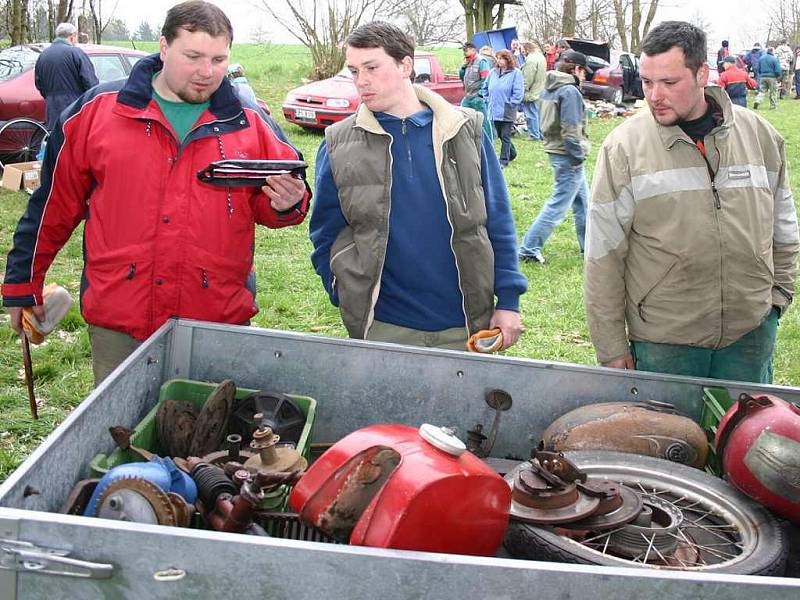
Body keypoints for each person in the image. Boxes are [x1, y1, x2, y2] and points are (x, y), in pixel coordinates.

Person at [3, 0, 310, 384]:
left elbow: (284, 197)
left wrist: (289, 203)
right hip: (122, 322)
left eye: (218, 59)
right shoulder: (96, 113)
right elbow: (52, 207)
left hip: (216, 320)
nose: (206, 72)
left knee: (214, 435)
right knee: (122, 434)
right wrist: (22, 285)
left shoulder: (248, 120)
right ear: (164, 48)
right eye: (193, 56)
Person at [584, 21, 799, 384]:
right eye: (648, 82)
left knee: (747, 440)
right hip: (665, 342)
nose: (654, 96)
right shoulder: (623, 148)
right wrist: (611, 346)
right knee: (668, 440)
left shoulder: (760, 136)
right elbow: (603, 254)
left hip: (749, 334)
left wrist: (776, 300)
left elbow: (784, 225)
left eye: (669, 83)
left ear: (702, 74)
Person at [310, 21, 527, 352]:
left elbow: (497, 218)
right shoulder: (339, 142)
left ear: (405, 65)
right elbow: (326, 231)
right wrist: (342, 288)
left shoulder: (465, 130)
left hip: (466, 321)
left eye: (371, 67)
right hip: (382, 325)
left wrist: (509, 299)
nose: (361, 81)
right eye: (354, 71)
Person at [519, 50, 590, 265]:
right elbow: (570, 129)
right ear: (576, 68)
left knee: (584, 203)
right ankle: (529, 249)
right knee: (558, 205)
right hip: (568, 155)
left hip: (556, 150)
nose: (585, 76)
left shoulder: (550, 88)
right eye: (584, 71)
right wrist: (577, 156)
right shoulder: (569, 91)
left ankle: (589, 247)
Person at [34, 22, 98, 132]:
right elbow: (90, 82)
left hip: (52, 107)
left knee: (56, 140)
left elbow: (39, 83)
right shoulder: (76, 53)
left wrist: (50, 96)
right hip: (74, 105)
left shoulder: (43, 55)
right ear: (72, 37)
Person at [486, 49, 524, 168]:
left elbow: (518, 91)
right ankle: (512, 153)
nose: (499, 60)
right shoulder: (493, 72)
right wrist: (486, 98)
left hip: (507, 108)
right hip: (494, 108)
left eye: (502, 58)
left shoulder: (516, 73)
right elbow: (485, 87)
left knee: (506, 135)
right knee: (501, 135)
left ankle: (503, 160)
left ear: (508, 60)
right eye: (497, 58)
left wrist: (512, 103)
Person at [459, 41, 493, 140]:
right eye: (463, 50)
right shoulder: (467, 63)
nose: (464, 52)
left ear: (473, 50)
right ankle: (468, 139)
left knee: (484, 122)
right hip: (468, 96)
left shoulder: (481, 62)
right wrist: (462, 68)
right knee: (462, 116)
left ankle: (488, 142)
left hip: (478, 97)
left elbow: (486, 80)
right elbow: (462, 78)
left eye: (466, 50)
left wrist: (480, 95)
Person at [520, 41, 546, 141]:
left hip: (532, 91)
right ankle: (541, 134)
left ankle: (534, 135)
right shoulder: (540, 57)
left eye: (523, 50)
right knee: (538, 114)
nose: (522, 52)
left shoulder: (530, 60)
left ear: (526, 49)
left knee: (531, 114)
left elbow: (528, 78)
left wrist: (523, 89)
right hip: (540, 89)